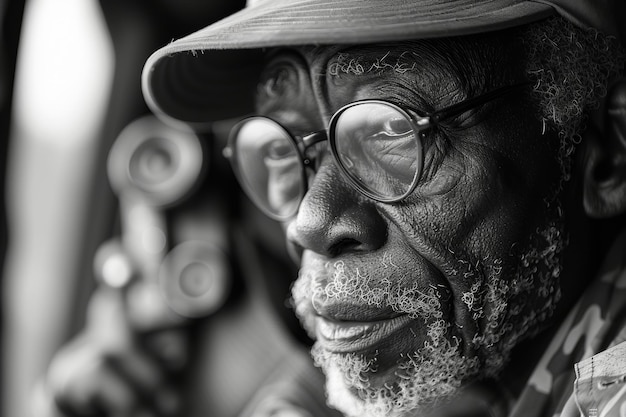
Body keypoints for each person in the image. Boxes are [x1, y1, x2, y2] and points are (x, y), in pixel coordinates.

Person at [140, 1, 626, 416]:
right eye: (280, 151)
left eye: (391, 133)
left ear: (608, 155)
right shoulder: (457, 365)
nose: (309, 223)